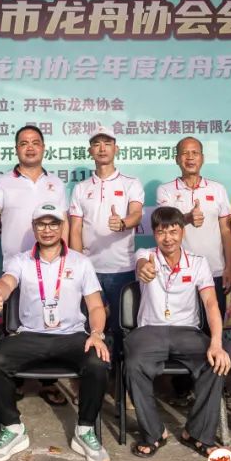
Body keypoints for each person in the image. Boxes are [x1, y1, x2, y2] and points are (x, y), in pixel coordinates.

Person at [0, 203, 111, 461]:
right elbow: (8, 282)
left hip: (72, 336)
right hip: (30, 335)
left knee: (98, 362)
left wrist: (96, 333)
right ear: (34, 228)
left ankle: (85, 430)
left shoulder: (80, 262)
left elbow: (96, 306)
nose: (47, 229)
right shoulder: (21, 260)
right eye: (41, 224)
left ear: (62, 227)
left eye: (53, 223)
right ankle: (13, 428)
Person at [126, 206, 231, 458]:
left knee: (215, 363)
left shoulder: (198, 263)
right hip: (149, 331)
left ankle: (197, 433)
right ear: (154, 233)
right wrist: (144, 268)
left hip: (187, 332)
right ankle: (154, 433)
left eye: (173, 231)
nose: (168, 238)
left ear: (182, 232)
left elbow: (210, 303)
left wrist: (217, 343)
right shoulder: (146, 254)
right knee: (133, 364)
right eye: (161, 232)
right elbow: (141, 265)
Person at [0, 124, 69, 406]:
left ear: (43, 147)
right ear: (16, 149)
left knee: (48, 321)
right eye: (24, 143)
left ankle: (49, 382)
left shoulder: (56, 184)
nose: (30, 147)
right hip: (15, 266)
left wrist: (66, 257)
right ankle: (15, 380)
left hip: (50, 266)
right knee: (14, 326)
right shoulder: (2, 183)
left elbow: (63, 222)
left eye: (35, 142)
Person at [68, 125, 144, 357]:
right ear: (90, 150)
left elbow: (136, 214)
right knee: (91, 329)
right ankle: (96, 373)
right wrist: (79, 264)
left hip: (122, 269)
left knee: (123, 330)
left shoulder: (131, 183)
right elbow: (75, 228)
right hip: (90, 271)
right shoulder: (81, 188)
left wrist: (122, 223)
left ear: (116, 149)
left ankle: (121, 376)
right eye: (97, 144)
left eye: (107, 143)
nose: (102, 148)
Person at [156, 136, 231, 325]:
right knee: (182, 328)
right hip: (178, 272)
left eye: (195, 153)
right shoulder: (165, 190)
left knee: (212, 326)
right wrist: (187, 218)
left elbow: (226, 231)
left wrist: (229, 268)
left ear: (202, 158)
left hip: (214, 270)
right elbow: (164, 225)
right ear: (177, 159)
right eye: (184, 153)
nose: (190, 157)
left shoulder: (217, 189)